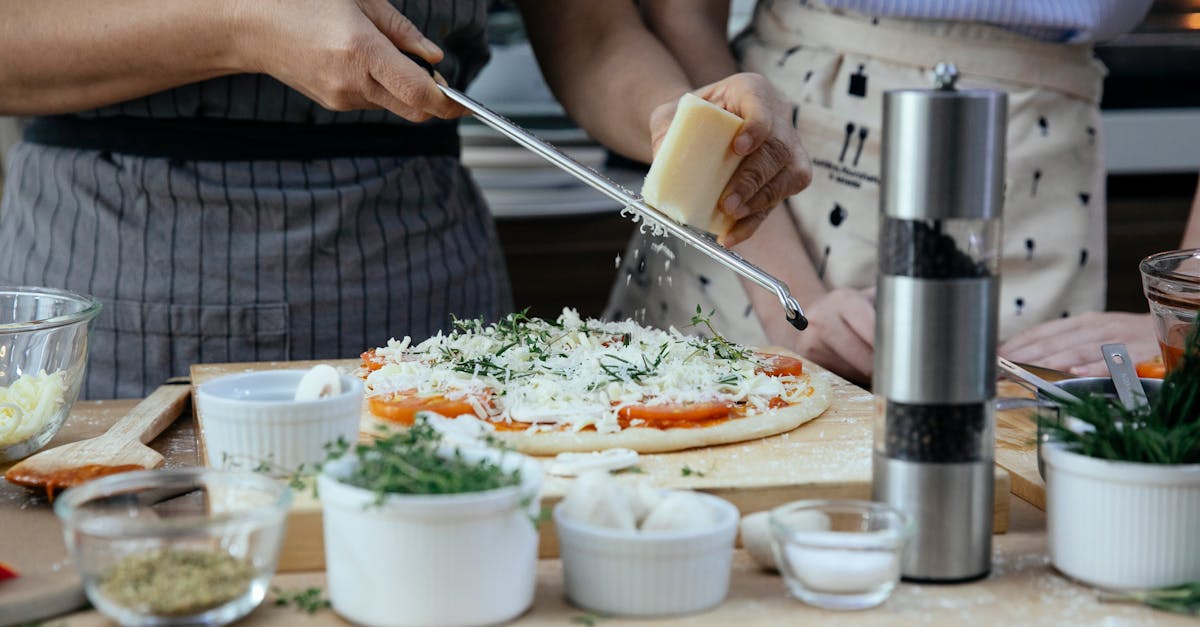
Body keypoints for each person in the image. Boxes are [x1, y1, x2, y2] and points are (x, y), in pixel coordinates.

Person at [0, 0, 810, 398]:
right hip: (108, 285)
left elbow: (592, 35)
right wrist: (240, 27)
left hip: (418, 288)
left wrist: (678, 123)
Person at [608, 0, 1156, 385]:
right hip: (772, 167)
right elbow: (682, 16)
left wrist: (1188, 316)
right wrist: (792, 304)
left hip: (1037, 169)